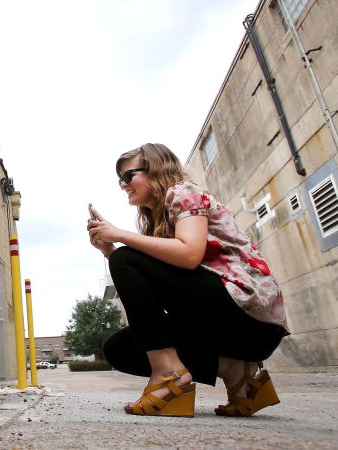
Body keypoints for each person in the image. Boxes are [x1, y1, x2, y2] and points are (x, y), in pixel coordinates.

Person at [87, 143, 288, 418]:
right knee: (119, 348)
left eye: (128, 176)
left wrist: (120, 237)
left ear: (156, 169)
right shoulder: (159, 219)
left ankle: (170, 377)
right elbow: (154, 290)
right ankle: (240, 375)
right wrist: (110, 252)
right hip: (227, 327)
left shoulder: (184, 193)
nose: (123, 185)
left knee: (126, 257)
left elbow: (190, 254)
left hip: (250, 317)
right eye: (120, 179)